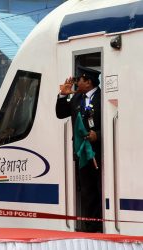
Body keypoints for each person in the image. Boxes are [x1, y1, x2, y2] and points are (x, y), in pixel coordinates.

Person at [55, 66, 102, 233]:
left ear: (88, 82)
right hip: (82, 153)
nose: (75, 83)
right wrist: (62, 95)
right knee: (87, 191)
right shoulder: (76, 98)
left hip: (100, 153)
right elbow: (60, 114)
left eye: (78, 80)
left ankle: (102, 225)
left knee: (100, 189)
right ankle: (91, 227)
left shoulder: (102, 97)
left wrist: (98, 135)